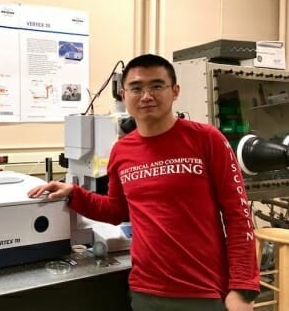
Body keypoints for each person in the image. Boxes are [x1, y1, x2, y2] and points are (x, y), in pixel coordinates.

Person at [28, 54, 260, 311]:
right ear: (124, 96)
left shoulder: (208, 139)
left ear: (175, 91)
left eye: (157, 86)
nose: (146, 95)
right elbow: (117, 210)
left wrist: (242, 290)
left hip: (203, 291)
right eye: (136, 88)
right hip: (145, 291)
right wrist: (74, 193)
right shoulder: (121, 151)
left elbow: (239, 216)